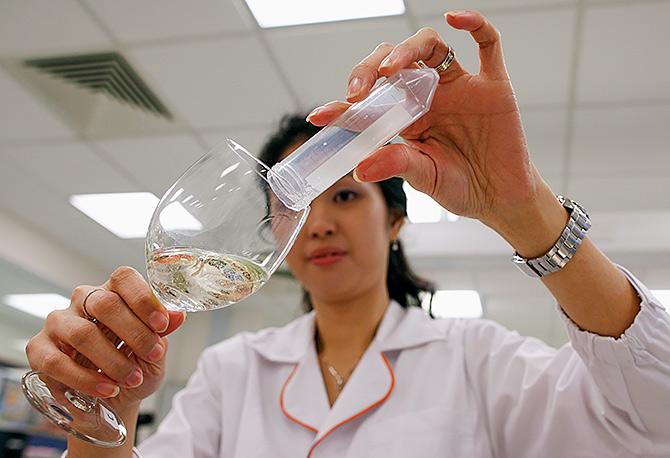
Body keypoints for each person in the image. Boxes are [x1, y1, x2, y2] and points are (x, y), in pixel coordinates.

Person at [26, 10, 669, 458]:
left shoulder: (480, 360)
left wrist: (523, 207)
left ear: (395, 220)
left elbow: (656, 421)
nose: (320, 221)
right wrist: (104, 410)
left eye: (346, 195)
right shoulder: (232, 371)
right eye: (294, 202)